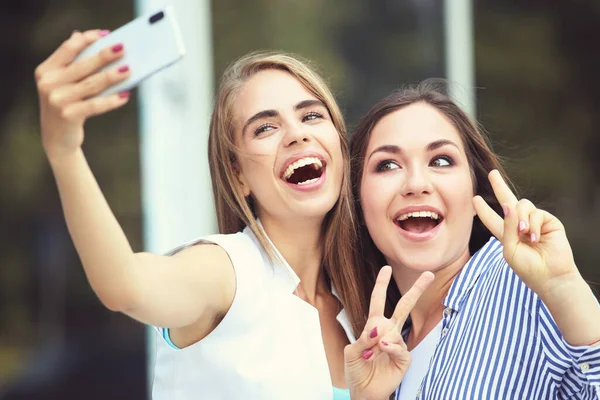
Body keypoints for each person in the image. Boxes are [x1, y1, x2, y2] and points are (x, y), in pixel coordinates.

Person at [35, 29, 370, 399]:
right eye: (265, 127)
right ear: (238, 175)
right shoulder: (225, 271)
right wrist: (65, 151)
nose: (296, 134)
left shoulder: (361, 304)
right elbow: (126, 287)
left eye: (311, 115)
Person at [344, 80, 600, 399]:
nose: (416, 183)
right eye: (388, 165)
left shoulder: (522, 286)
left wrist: (564, 288)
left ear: (473, 187)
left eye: (440, 160)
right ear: (357, 198)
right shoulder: (386, 346)